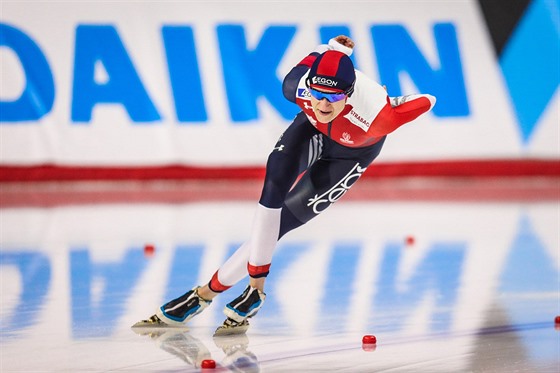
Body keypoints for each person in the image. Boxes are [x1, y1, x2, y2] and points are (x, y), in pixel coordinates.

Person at [134, 35, 436, 334]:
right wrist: (334, 48)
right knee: (273, 187)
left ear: (350, 93)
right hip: (311, 131)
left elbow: (428, 100)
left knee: (281, 224)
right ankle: (255, 290)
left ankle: (202, 296)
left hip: (351, 153)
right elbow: (319, 53)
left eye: (332, 98)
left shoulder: (378, 117)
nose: (322, 104)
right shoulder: (296, 87)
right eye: (317, 94)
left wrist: (394, 103)